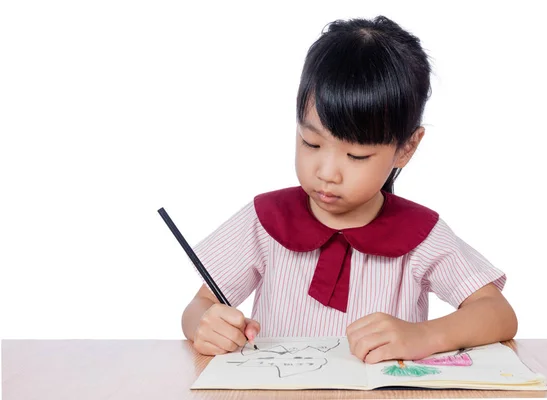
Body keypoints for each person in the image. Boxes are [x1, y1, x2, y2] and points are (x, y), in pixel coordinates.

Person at [181, 15, 517, 364]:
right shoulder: (265, 219)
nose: (327, 173)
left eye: (356, 155)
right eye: (311, 143)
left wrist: (424, 335)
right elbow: (199, 307)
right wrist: (204, 325)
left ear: (407, 147)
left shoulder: (420, 235)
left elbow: (498, 313)